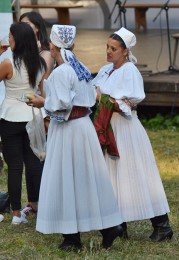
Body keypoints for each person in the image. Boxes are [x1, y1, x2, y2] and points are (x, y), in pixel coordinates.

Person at [29, 24, 124, 250]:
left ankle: (72, 238)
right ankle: (108, 227)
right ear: (72, 45)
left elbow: (61, 104)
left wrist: (42, 102)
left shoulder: (63, 71)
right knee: (85, 179)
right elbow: (89, 97)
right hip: (82, 128)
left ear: (52, 46)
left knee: (66, 179)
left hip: (69, 130)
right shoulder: (79, 66)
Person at [92, 27, 173, 242]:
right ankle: (119, 224)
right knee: (113, 175)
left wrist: (103, 98)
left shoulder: (130, 72)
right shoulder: (107, 70)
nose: (109, 52)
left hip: (126, 128)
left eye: (114, 49)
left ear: (125, 51)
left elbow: (127, 104)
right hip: (111, 127)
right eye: (107, 47)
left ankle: (162, 225)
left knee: (137, 174)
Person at [0, 22, 47, 224]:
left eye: (10, 36)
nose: (8, 38)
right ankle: (39, 206)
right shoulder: (40, 63)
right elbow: (42, 93)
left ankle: (17, 214)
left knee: (15, 167)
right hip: (33, 115)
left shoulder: (8, 62)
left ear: (17, 39)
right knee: (34, 164)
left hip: (11, 117)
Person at [19, 11, 55, 215]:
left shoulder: (46, 53)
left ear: (37, 28)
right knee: (27, 153)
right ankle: (32, 201)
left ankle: (43, 201)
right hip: (26, 107)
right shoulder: (24, 51)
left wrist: (47, 116)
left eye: (27, 25)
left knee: (39, 156)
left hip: (42, 107)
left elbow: (43, 82)